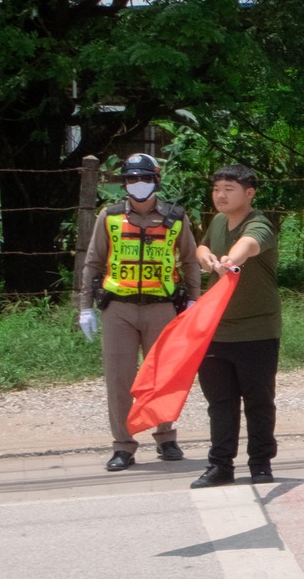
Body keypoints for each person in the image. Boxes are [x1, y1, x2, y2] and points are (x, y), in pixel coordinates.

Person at [78, 152, 202, 472]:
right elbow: (93, 262)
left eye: (144, 178)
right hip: (118, 308)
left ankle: (166, 437)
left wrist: (193, 302)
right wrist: (84, 308)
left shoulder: (175, 218)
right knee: (119, 380)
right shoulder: (110, 216)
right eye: (132, 179)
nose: (138, 184)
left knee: (162, 377)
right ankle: (123, 446)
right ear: (124, 183)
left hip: (162, 307)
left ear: (156, 180)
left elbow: (189, 261)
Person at [189, 165, 281, 488]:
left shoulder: (259, 223)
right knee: (220, 403)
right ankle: (220, 466)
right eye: (216, 189)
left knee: (258, 400)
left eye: (229, 188)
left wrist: (231, 260)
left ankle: (260, 463)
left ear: (249, 193)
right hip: (215, 330)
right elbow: (202, 245)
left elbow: (251, 245)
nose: (220, 195)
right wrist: (204, 256)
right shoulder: (217, 221)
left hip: (257, 331)